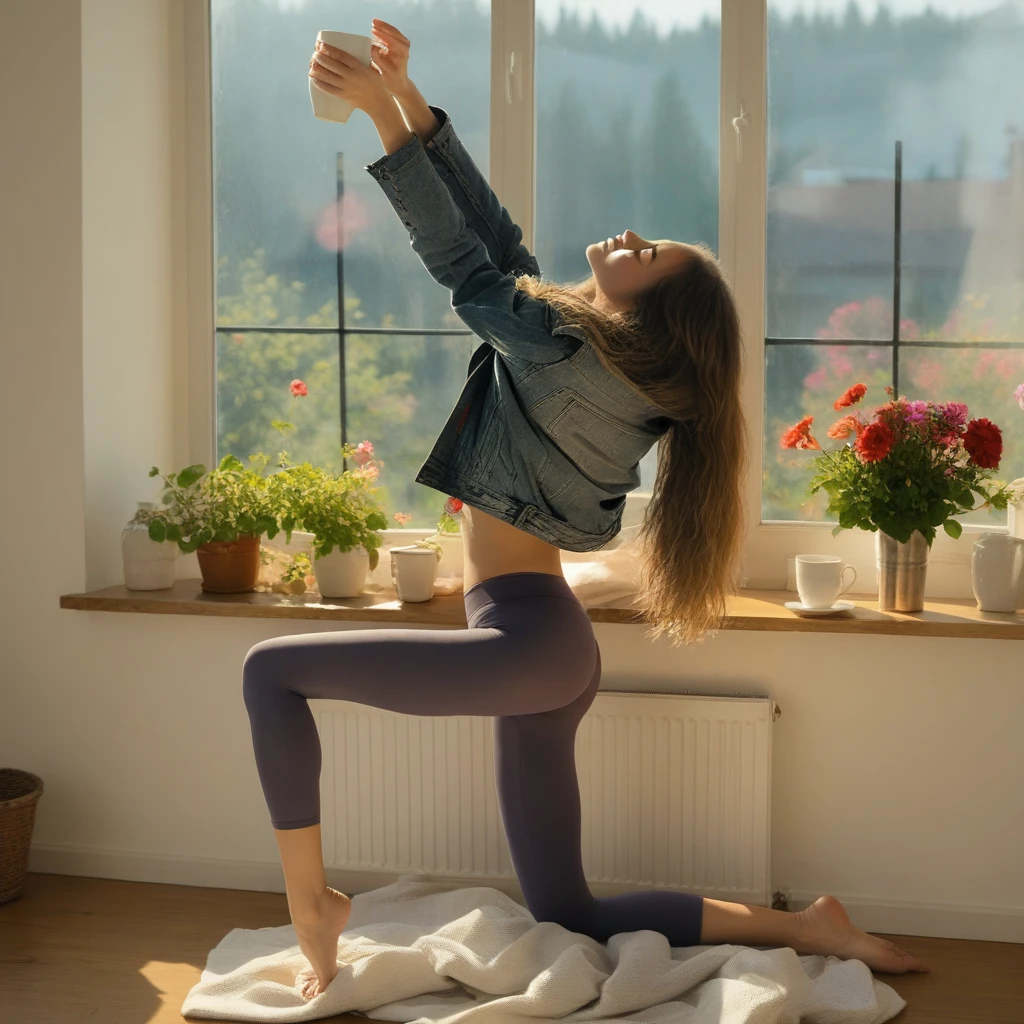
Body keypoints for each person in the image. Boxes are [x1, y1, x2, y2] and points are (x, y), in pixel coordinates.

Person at [242, 18, 931, 1002]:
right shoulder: (598, 364)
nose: (621, 240)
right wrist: (403, 94)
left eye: (642, 253)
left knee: (269, 672)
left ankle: (314, 907)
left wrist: (381, 116)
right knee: (567, 910)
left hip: (529, 645)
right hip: (541, 641)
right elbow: (500, 244)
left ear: (648, 309)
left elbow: (465, 262)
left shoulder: (566, 355)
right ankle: (807, 925)